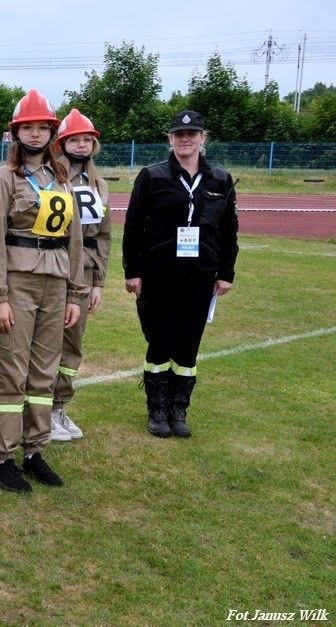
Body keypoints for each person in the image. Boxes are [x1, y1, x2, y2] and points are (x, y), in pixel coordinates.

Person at [0, 89, 88, 494]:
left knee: (43, 371)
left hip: (55, 282)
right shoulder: (3, 180)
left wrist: (76, 293)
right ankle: (3, 457)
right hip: (16, 282)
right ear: (16, 132)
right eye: (28, 128)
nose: (35, 134)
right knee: (10, 371)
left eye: (42, 128)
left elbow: (74, 238)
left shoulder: (61, 179)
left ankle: (35, 450)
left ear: (51, 132)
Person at [122, 110, 238, 438]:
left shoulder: (220, 179)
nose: (185, 139)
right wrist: (133, 271)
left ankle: (178, 408)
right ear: (170, 139)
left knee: (188, 344)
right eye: (178, 134)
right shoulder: (152, 176)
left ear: (203, 138)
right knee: (159, 340)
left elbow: (229, 230)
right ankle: (157, 409)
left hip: (201, 274)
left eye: (192, 133)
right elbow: (133, 227)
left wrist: (226, 271)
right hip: (159, 273)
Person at [50, 108, 112, 442]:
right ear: (63, 142)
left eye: (87, 140)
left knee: (73, 344)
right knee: (48, 341)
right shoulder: (51, 178)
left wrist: (99, 282)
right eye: (75, 139)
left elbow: (103, 235)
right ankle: (41, 410)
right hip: (57, 267)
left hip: (85, 272)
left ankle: (60, 405)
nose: (82, 145)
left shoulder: (99, 184)